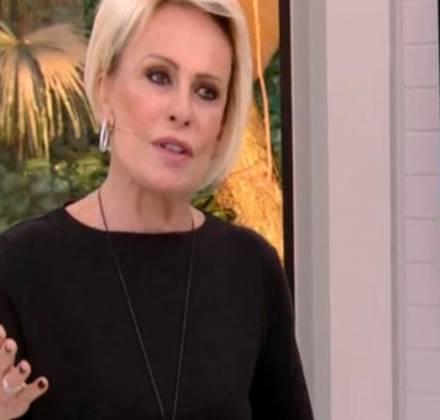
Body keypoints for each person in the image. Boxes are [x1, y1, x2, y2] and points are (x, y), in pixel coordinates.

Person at [0, 0, 313, 418]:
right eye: (159, 76)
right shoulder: (20, 267)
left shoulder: (250, 268)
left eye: (207, 91)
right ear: (105, 89)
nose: (182, 111)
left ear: (223, 124)